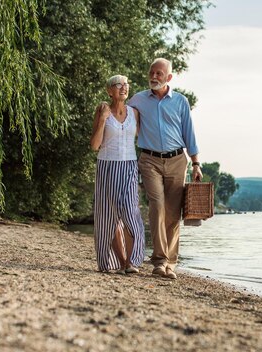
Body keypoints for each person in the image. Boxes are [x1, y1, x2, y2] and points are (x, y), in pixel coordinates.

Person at [128, 58, 202, 280]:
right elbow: (123, 121)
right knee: (157, 206)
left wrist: (196, 163)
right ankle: (159, 261)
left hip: (177, 160)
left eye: (159, 73)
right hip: (149, 160)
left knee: (173, 213)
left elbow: (189, 133)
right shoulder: (138, 99)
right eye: (152, 72)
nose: (154, 76)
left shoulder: (180, 101)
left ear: (169, 77)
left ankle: (171, 263)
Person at [90, 75, 145, 274]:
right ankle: (122, 262)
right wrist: (103, 119)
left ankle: (132, 261)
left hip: (129, 166)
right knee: (108, 217)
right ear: (109, 91)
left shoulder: (135, 113)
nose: (123, 87)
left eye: (126, 84)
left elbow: (144, 139)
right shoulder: (102, 110)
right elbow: (95, 145)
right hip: (107, 167)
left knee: (131, 213)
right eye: (118, 84)